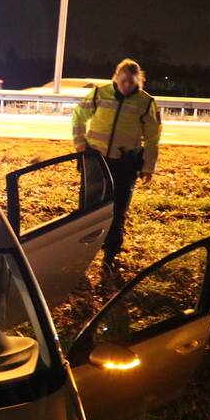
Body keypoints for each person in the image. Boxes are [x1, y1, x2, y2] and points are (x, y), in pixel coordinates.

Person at [72, 58, 162, 270]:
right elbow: (78, 117)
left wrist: (148, 166)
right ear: (116, 78)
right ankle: (81, 254)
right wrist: (80, 144)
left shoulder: (146, 102)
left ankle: (109, 256)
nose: (127, 86)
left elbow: (152, 138)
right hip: (95, 161)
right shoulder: (99, 94)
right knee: (88, 207)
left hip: (125, 164)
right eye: (123, 81)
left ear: (139, 81)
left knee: (118, 210)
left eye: (131, 82)